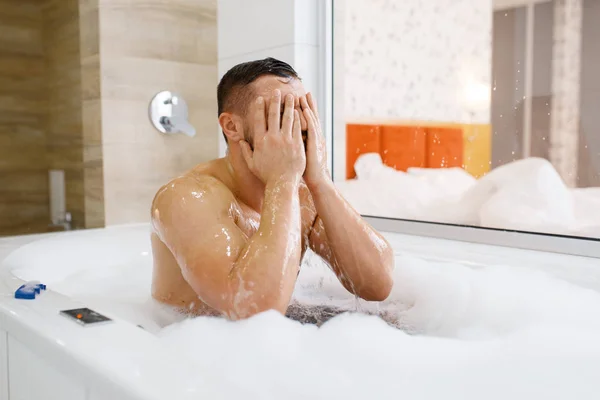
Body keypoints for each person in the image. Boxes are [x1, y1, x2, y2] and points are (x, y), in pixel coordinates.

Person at [150, 57, 394, 322]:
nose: (298, 122)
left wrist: (320, 180)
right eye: (281, 111)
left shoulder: (301, 194)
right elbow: (252, 313)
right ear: (231, 126)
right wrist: (282, 180)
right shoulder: (185, 198)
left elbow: (377, 286)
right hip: (191, 346)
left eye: (302, 107)